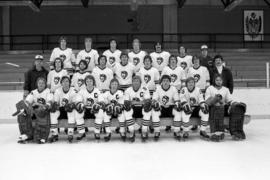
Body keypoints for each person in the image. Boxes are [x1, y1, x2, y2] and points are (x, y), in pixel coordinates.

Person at [205, 74, 246, 141]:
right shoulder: (210, 88)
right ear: (214, 81)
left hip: (223, 107)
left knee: (237, 108)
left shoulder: (226, 89)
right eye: (217, 80)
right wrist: (215, 100)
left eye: (220, 80)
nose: (218, 81)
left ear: (222, 81)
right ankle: (216, 132)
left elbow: (229, 100)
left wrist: (233, 103)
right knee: (217, 107)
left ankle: (235, 133)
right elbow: (207, 101)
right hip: (213, 107)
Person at [74, 75, 105, 141]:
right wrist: (81, 105)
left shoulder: (97, 90)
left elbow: (101, 101)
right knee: (78, 112)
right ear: (85, 82)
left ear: (93, 82)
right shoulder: (82, 91)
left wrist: (97, 106)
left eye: (90, 81)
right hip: (85, 110)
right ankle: (81, 133)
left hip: (95, 110)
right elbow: (78, 101)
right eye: (87, 81)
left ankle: (97, 132)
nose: (89, 83)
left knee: (100, 112)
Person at [151, 75, 182, 141]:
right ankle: (157, 131)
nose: (165, 82)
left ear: (170, 82)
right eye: (164, 81)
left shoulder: (173, 88)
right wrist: (156, 104)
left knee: (178, 112)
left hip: (170, 107)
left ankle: (176, 131)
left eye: (167, 81)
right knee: (154, 112)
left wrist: (177, 104)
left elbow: (177, 100)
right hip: (161, 107)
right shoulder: (158, 88)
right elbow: (154, 99)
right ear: (161, 82)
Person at [48, 76, 77, 143]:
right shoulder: (58, 90)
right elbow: (56, 102)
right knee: (53, 113)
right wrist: (55, 106)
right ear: (61, 83)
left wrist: (71, 106)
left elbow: (74, 102)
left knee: (71, 112)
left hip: (69, 110)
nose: (65, 83)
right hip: (61, 110)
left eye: (67, 81)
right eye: (63, 81)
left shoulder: (73, 90)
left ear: (69, 83)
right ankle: (54, 134)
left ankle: (70, 133)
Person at [123, 76, 152, 142]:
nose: (136, 82)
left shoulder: (145, 89)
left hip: (142, 108)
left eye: (137, 81)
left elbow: (147, 101)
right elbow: (126, 102)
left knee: (148, 108)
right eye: (134, 81)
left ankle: (144, 131)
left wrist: (134, 102)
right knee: (126, 109)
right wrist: (140, 102)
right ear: (132, 82)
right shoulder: (128, 90)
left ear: (140, 82)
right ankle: (131, 131)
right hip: (132, 109)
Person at [24, 77, 52, 144]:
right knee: (23, 114)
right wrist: (26, 108)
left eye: (43, 83)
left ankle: (43, 136)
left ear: (45, 84)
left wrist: (42, 106)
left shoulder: (48, 91)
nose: (41, 84)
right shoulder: (33, 92)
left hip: (44, 111)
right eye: (39, 83)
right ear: (37, 84)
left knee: (40, 110)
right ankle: (27, 134)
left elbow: (50, 102)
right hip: (35, 111)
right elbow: (27, 101)